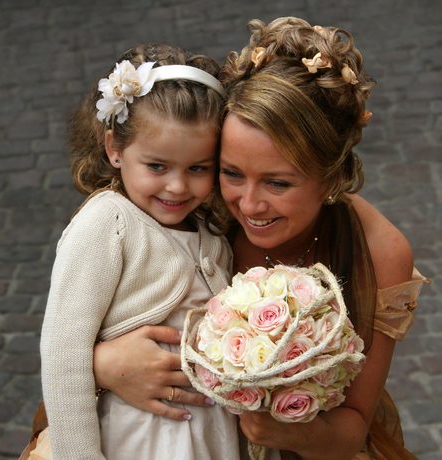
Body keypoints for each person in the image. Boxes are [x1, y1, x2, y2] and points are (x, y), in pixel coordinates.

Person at [92, 17, 429, 460]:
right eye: (231, 172)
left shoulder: (378, 252)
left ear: (332, 178)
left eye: (278, 184)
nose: (248, 205)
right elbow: (89, 305)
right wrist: (102, 364)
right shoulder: (193, 197)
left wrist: (287, 432)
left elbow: (354, 423)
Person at [36, 43, 243, 460]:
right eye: (157, 166)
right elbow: (63, 349)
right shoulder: (107, 223)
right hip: (141, 438)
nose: (178, 187)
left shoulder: (212, 235)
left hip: (209, 436)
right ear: (114, 148)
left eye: (198, 168)